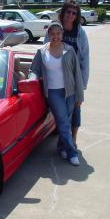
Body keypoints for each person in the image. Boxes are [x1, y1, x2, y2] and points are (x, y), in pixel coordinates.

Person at [30, 22, 84, 166]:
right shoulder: (42, 52)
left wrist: (80, 96)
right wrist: (32, 79)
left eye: (58, 33)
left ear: (62, 35)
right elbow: (34, 70)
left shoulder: (69, 50)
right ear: (48, 35)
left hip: (70, 91)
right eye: (52, 34)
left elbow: (77, 74)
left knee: (65, 120)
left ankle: (62, 147)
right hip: (53, 92)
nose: (55, 36)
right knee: (63, 121)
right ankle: (72, 153)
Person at [45, 0, 89, 148]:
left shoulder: (80, 32)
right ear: (63, 13)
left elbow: (85, 59)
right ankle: (63, 141)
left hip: (73, 78)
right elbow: (44, 49)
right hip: (55, 79)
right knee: (60, 113)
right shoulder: (54, 28)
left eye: (74, 13)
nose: (71, 15)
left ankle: (73, 140)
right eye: (68, 12)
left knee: (75, 110)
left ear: (77, 15)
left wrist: (82, 85)